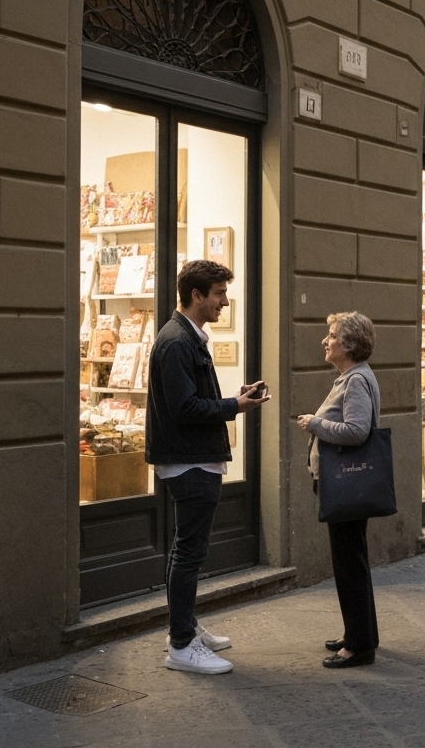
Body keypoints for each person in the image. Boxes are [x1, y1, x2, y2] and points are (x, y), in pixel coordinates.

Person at [146, 259, 270, 674]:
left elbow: (191, 400)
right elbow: (184, 408)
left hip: (193, 458)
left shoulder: (187, 337)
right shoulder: (178, 342)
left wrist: (233, 400)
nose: (224, 301)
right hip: (189, 462)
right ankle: (181, 647)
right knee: (189, 554)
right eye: (218, 294)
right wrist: (236, 405)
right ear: (196, 296)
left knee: (187, 551)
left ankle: (184, 628)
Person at [295, 311, 382, 669]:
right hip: (345, 482)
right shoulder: (351, 377)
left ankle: (359, 646)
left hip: (347, 483)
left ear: (347, 345)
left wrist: (315, 423)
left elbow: (357, 431)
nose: (325, 341)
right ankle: (359, 632)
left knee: (350, 564)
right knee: (351, 561)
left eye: (331, 336)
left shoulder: (355, 381)